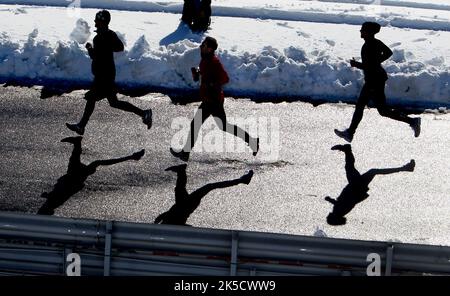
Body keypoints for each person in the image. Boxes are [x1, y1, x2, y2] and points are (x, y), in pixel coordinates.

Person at [170, 36, 259, 161]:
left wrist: (211, 84)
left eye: (204, 45)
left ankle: (185, 153)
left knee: (200, 125)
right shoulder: (204, 60)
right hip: (209, 100)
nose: (201, 46)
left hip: (213, 101)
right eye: (202, 44)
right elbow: (205, 73)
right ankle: (252, 141)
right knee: (220, 126)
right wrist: (198, 72)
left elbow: (225, 78)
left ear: (210, 49)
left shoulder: (214, 62)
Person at [66, 10, 152, 136]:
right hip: (104, 74)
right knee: (113, 103)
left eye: (97, 20)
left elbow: (110, 51)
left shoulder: (103, 37)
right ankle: (144, 113)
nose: (95, 22)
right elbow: (114, 49)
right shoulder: (104, 36)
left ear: (102, 22)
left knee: (92, 98)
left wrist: (90, 48)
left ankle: (81, 126)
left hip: (104, 76)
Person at [335, 22, 421, 143]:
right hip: (374, 79)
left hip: (374, 81)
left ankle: (350, 133)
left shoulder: (371, 44)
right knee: (380, 110)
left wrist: (358, 64)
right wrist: (374, 62)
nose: (360, 32)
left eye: (363, 30)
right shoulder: (371, 43)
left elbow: (373, 62)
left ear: (369, 32)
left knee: (365, 107)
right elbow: (382, 57)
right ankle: (412, 121)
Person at [38, 136, 144, 215]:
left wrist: (48, 194)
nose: (41, 207)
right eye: (42, 209)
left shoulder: (52, 203)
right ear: (47, 210)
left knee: (93, 162)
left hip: (73, 179)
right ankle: (77, 143)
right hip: (73, 179)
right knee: (89, 161)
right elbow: (62, 193)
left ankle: (131, 157)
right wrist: (48, 195)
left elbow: (61, 194)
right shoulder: (52, 202)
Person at [154, 164, 253, 225]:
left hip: (184, 206)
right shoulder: (170, 226)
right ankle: (242, 180)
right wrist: (159, 219)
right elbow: (172, 219)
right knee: (207, 187)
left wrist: (158, 219)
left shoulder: (166, 225)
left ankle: (181, 171)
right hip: (185, 206)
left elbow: (167, 216)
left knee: (206, 187)